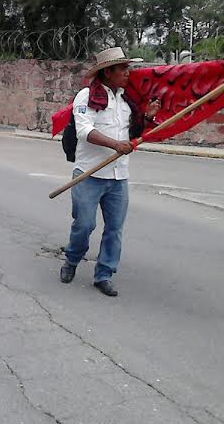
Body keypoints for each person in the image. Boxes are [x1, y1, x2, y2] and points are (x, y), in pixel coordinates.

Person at [60, 47, 161, 297]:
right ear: (108, 72)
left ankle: (104, 274)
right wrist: (115, 145)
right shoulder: (86, 97)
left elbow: (132, 133)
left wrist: (147, 119)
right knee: (84, 225)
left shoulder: (126, 100)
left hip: (118, 177)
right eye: (123, 69)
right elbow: (84, 131)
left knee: (114, 229)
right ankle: (72, 260)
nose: (128, 73)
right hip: (88, 175)